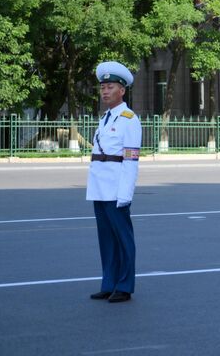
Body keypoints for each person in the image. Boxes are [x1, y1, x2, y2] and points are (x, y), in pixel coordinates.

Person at [87, 61, 142, 303]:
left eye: (109, 87)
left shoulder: (129, 119)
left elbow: (130, 160)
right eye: (102, 88)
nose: (105, 91)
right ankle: (109, 282)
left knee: (122, 238)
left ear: (122, 90)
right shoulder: (106, 118)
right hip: (100, 187)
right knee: (106, 240)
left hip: (116, 189)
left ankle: (124, 285)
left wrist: (126, 193)